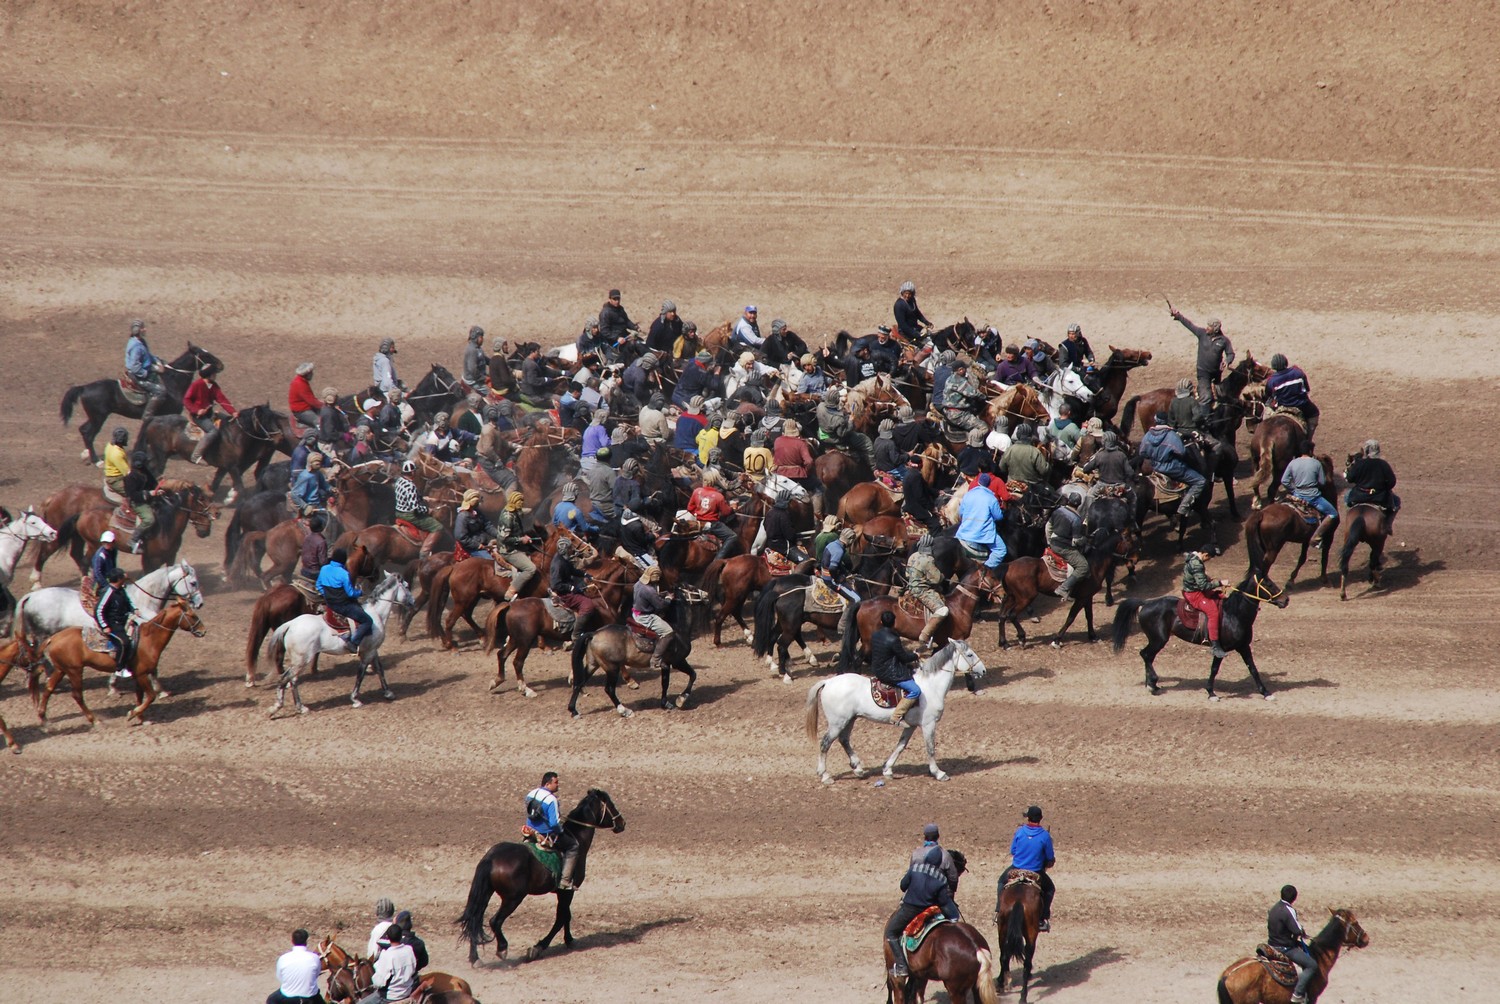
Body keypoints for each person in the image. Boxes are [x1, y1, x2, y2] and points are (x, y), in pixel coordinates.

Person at [884, 822, 962, 980]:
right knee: (954, 921)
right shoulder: (945, 858)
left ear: (925, 837)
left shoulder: (916, 855)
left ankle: (901, 965)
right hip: (936, 901)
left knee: (891, 932)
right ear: (938, 836)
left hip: (912, 904)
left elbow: (904, 885)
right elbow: (952, 879)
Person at [1138, 412, 1205, 527]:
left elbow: (1142, 452)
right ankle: (1183, 509)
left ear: (1156, 421)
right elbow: (1182, 452)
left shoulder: (1148, 435)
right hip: (1173, 468)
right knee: (1200, 481)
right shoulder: (1171, 435)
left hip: (1156, 467)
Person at [524, 772, 581, 890]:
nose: (558, 785)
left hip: (530, 830)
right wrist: (560, 830)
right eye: (556, 782)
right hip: (545, 834)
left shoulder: (531, 793)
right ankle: (565, 881)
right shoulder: (551, 800)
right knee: (573, 847)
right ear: (548, 783)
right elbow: (554, 823)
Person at [1004, 805, 1057, 932]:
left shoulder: (1020, 831)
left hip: (1016, 868)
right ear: (1041, 818)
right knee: (1050, 889)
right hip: (1036, 870)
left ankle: (998, 911)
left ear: (1028, 818)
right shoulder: (1045, 836)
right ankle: (1042, 918)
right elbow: (1050, 857)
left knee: (1001, 883)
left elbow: (1013, 850)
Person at [1170, 308, 1235, 406]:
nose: (1207, 328)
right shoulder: (1202, 334)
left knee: (1220, 397)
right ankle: (1205, 418)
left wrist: (1227, 361)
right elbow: (1190, 325)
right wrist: (1178, 316)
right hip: (1203, 372)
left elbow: (1230, 354)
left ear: (1216, 329)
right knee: (1206, 397)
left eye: (1209, 327)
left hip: (1216, 374)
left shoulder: (1224, 341)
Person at [870, 609, 923, 726]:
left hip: (877, 668)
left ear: (881, 622)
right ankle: (897, 715)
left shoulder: (875, 635)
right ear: (894, 623)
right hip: (890, 672)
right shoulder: (893, 639)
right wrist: (915, 655)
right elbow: (904, 657)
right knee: (915, 690)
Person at [1281, 441, 1339, 545]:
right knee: (1333, 513)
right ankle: (1317, 537)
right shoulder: (1316, 463)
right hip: (1313, 497)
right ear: (1310, 451)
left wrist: (1294, 490)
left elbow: (1284, 480)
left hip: (1297, 495)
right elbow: (1322, 482)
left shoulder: (1293, 463)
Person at [1268, 885, 1317, 1004]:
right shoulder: (1288, 910)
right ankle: (1298, 994)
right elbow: (1297, 930)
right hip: (1285, 948)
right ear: (1294, 898)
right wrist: (1302, 932)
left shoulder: (1273, 908)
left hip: (1271, 945)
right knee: (1312, 965)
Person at [316, 548, 372, 653]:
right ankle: (353, 642)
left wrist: (327, 595)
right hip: (343, 606)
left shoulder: (324, 569)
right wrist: (360, 592)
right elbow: (350, 593)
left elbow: (318, 585)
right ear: (343, 560)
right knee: (367, 621)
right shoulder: (343, 574)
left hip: (329, 603)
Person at [183, 364, 238, 465]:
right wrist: (197, 410)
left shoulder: (213, 386)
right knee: (212, 431)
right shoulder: (196, 385)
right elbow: (186, 400)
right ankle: (196, 456)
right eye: (214, 374)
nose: (215, 375)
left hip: (209, 414)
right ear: (209, 375)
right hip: (198, 417)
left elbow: (222, 399)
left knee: (228, 422)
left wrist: (233, 412)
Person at [1181, 548, 1229, 659]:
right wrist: (1220, 582)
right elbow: (1203, 586)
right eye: (1209, 558)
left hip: (1192, 589)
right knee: (1213, 612)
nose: (1209, 560)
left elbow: (1194, 575)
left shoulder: (1192, 557)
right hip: (1194, 594)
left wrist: (1206, 577)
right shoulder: (1197, 564)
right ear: (1206, 555)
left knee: (1219, 596)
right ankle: (1215, 646)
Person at [905, 534, 949, 648]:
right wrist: (943, 576)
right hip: (922, 591)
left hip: (910, 587)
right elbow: (936, 579)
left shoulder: (913, 556)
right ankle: (925, 635)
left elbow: (906, 573)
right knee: (943, 610)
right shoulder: (928, 559)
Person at [123, 319, 169, 429]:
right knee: (160, 391)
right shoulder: (136, 347)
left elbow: (148, 355)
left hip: (146, 369)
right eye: (143, 328)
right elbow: (135, 367)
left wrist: (158, 361)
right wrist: (153, 370)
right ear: (138, 330)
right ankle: (147, 417)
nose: (145, 329)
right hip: (138, 376)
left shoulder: (141, 342)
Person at [957, 473, 1007, 572]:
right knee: (1001, 550)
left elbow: (960, 513)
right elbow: (999, 517)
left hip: (965, 531)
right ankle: (985, 569)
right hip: (982, 533)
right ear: (988, 484)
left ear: (978, 482)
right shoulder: (991, 498)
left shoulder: (968, 494)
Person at [493, 492, 538, 600]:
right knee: (531, 568)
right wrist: (521, 540)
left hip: (515, 545)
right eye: (520, 501)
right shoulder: (507, 517)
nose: (522, 503)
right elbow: (505, 539)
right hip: (508, 550)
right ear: (514, 502)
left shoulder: (513, 512)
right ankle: (511, 591)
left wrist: (523, 536)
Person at [631, 564, 675, 673]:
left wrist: (659, 594)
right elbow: (661, 606)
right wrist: (669, 598)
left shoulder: (637, 584)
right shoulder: (649, 590)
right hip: (645, 617)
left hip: (635, 613)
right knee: (668, 632)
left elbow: (649, 597)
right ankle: (655, 659)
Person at [394, 460, 444, 557]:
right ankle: (424, 553)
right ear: (412, 472)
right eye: (415, 471)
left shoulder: (399, 481)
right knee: (438, 527)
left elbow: (407, 496)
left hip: (398, 512)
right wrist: (428, 510)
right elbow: (415, 509)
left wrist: (423, 498)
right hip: (410, 515)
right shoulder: (410, 485)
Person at [1345, 440, 1400, 527]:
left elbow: (1350, 479)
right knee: (1396, 501)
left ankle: (1349, 519)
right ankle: (1388, 525)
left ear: (1366, 451)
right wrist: (1384, 488)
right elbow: (1392, 482)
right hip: (1379, 496)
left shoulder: (1360, 464)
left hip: (1358, 495)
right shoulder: (1383, 464)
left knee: (1346, 497)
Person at [1265, 353, 1320, 440]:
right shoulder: (1298, 372)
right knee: (1314, 413)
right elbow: (1307, 389)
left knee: (1266, 417)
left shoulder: (1271, 380)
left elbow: (1269, 396)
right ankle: (1308, 440)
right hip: (1302, 405)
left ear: (1273, 366)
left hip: (1283, 406)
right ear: (1286, 362)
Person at [815, 388, 875, 469]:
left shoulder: (820, 406)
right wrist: (850, 420)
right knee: (867, 442)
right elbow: (842, 434)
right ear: (836, 401)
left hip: (822, 433)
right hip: (835, 439)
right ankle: (873, 468)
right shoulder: (839, 419)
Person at [1046, 489, 1090, 599]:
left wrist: (1049, 541)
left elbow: (1048, 527)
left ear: (1068, 501)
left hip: (1053, 542)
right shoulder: (1076, 519)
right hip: (1064, 547)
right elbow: (1076, 541)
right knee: (1083, 566)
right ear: (1078, 505)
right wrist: (1085, 539)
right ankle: (1063, 588)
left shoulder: (1057, 511)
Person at [359, 924, 418, 1004]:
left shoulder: (387, 955)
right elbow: (413, 970)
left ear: (387, 937)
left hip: (389, 997)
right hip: (406, 993)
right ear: (401, 936)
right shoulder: (409, 950)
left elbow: (379, 982)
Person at [687, 469, 737, 559]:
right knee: (732, 536)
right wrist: (732, 507)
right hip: (713, 524)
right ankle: (717, 560)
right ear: (714, 481)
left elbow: (690, 508)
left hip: (698, 522)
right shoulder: (718, 496)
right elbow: (726, 512)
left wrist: (698, 514)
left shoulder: (696, 491)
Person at [95, 567, 135, 675]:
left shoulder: (120, 590)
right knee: (124, 642)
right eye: (122, 576)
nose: (125, 577)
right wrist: (104, 626)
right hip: (113, 624)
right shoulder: (108, 592)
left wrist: (134, 609)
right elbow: (98, 610)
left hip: (123, 620)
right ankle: (120, 668)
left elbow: (127, 602)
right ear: (118, 579)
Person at [267, 928, 323, 1004]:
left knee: (271, 1000)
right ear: (306, 942)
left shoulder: (283, 958)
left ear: (292, 941)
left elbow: (280, 977)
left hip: (288, 997)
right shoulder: (315, 958)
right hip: (310, 997)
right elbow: (316, 975)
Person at [123, 450, 161, 553]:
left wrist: (159, 489)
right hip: (137, 502)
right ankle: (133, 539)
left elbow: (153, 483)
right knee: (149, 519)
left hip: (149, 498)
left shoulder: (145, 472)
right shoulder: (130, 477)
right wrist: (150, 493)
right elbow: (133, 495)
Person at [941, 360, 989, 437]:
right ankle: (972, 443)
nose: (966, 370)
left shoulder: (949, 378)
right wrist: (985, 397)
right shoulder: (960, 381)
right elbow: (973, 393)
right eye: (965, 369)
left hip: (947, 410)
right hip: (958, 414)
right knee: (984, 427)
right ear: (960, 370)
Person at [998, 425, 1051, 490]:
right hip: (1032, 488)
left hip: (1011, 484)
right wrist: (1048, 464)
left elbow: (1001, 467)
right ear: (1030, 436)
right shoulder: (1035, 452)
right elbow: (1044, 471)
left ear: (1018, 435)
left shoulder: (1010, 449)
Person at [901, 453, 942, 532]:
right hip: (916, 508)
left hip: (909, 505)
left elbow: (925, 487)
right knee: (936, 525)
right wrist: (931, 508)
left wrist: (938, 492)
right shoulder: (916, 476)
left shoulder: (909, 473)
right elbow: (920, 496)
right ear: (921, 465)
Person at [453, 489, 497, 560]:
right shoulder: (462, 516)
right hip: (473, 548)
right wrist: (478, 545)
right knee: (491, 560)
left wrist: (499, 535)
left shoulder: (477, 512)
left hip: (484, 542)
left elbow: (487, 525)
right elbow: (461, 537)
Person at [290, 452, 332, 517]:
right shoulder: (305, 476)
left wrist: (330, 488)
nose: (319, 464)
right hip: (311, 507)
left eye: (319, 462)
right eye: (316, 462)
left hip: (319, 503)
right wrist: (305, 506)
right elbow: (294, 494)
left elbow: (324, 484)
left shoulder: (317, 473)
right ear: (310, 463)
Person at [288, 362, 321, 432]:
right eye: (311, 373)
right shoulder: (300, 384)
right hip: (302, 411)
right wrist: (325, 406)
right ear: (306, 374)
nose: (312, 374)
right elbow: (311, 401)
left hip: (305, 408)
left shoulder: (300, 381)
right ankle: (323, 441)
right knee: (319, 422)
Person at [298, 513, 328, 586]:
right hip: (314, 573)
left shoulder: (306, 538)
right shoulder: (321, 541)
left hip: (304, 570)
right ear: (321, 527)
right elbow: (323, 562)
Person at [102, 427, 131, 501]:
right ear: (122, 439)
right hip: (116, 480)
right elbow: (127, 473)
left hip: (115, 475)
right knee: (135, 493)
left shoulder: (110, 445)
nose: (127, 439)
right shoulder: (117, 454)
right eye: (126, 437)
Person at [317, 387, 349, 452]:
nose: (338, 398)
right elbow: (330, 433)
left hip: (332, 442)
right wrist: (343, 435)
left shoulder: (331, 409)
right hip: (328, 446)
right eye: (336, 397)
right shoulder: (328, 413)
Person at [461, 326, 489, 392]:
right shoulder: (472, 350)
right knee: (490, 393)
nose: (482, 339)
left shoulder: (478, 348)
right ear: (476, 338)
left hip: (480, 377)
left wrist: (494, 362)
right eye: (481, 337)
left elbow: (484, 359)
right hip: (473, 381)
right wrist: (484, 378)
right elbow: (472, 369)